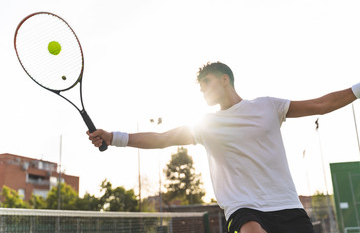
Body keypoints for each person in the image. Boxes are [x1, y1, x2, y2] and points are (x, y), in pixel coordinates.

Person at [88, 62, 359, 233]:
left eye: (206, 83)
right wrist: (114, 137)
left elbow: (320, 105)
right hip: (245, 209)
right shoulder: (206, 125)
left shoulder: (268, 106)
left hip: (288, 207)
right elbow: (162, 139)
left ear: (225, 79)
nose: (203, 90)